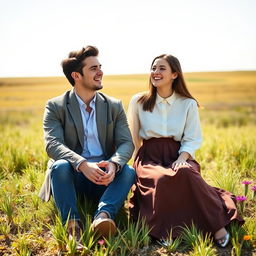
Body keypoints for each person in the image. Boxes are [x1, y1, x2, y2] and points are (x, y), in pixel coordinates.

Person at [127, 54, 244, 247]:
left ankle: (216, 226)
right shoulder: (138, 101)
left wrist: (182, 158)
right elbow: (133, 137)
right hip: (149, 156)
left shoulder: (188, 103)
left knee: (185, 173)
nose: (155, 72)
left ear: (174, 74)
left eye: (161, 68)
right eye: (153, 68)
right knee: (161, 179)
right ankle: (164, 231)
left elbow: (192, 138)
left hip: (178, 152)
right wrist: (134, 165)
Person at [39, 46, 135, 248]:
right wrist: (82, 163)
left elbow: (126, 142)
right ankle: (73, 227)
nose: (100, 72)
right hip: (72, 178)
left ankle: (102, 217)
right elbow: (52, 144)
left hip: (104, 176)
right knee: (59, 167)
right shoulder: (55, 106)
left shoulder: (114, 105)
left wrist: (113, 164)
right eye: (93, 68)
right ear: (76, 75)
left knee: (127, 171)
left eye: (100, 67)